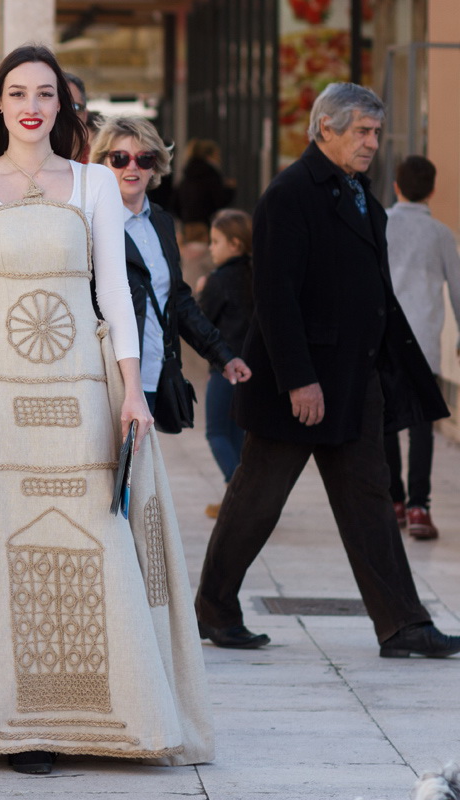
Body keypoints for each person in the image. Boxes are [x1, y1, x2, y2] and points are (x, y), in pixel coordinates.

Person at [0, 45, 213, 775]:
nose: (31, 104)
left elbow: (114, 295)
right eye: (16, 92)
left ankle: (107, 714)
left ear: (63, 106)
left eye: (45, 93)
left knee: (94, 539)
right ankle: (11, 722)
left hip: (82, 385)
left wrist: (133, 391)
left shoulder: (92, 183)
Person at [194, 83, 459, 658]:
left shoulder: (361, 194)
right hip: (299, 386)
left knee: (369, 500)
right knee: (257, 501)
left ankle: (403, 625)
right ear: (325, 129)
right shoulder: (289, 193)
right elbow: (276, 294)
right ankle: (214, 607)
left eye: (376, 133)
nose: (372, 144)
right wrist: (298, 379)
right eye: (362, 132)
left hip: (352, 383)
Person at [90, 116, 249, 427]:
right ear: (102, 164)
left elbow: (178, 300)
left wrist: (222, 355)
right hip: (106, 380)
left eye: (144, 158)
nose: (131, 168)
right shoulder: (89, 225)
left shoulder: (161, 222)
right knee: (115, 475)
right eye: (119, 158)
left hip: (155, 376)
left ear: (156, 166)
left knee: (137, 474)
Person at [383, 155, 460, 540]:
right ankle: (419, 508)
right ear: (431, 190)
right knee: (421, 427)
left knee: (386, 422)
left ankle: (394, 500)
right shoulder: (442, 235)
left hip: (384, 340)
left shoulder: (379, 223)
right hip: (425, 342)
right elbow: (459, 292)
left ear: (396, 187)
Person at [198, 209, 254, 517]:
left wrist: (201, 292)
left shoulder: (218, 281)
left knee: (217, 432)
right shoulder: (257, 275)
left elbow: (203, 322)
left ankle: (240, 494)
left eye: (216, 241)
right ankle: (237, 495)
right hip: (253, 370)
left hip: (226, 368)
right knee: (238, 435)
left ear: (235, 244)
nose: (211, 247)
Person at [171, 139, 235, 241]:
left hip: (188, 226)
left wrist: (186, 218)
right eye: (217, 154)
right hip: (205, 225)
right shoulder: (211, 175)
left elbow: (174, 202)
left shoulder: (187, 175)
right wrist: (230, 190)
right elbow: (220, 200)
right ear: (209, 155)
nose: (219, 159)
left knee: (191, 255)